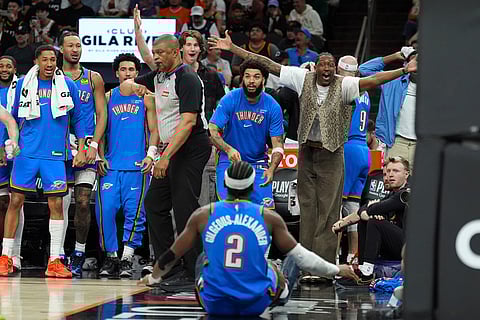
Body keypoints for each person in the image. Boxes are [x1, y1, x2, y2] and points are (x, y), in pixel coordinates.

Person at [208, 32, 416, 276]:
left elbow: (375, 80)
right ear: (315, 67)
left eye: (330, 65)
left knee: (328, 213)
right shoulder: (301, 77)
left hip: (333, 153)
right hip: (308, 151)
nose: (326, 69)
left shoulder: (346, 84)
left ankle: (325, 270)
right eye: (322, 65)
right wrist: (233, 48)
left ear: (335, 69)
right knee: (306, 210)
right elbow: (266, 63)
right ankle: (307, 268)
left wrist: (403, 70)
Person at [137, 161, 359, 316]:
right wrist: (338, 269)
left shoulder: (204, 214)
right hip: (256, 304)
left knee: (203, 257)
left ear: (225, 186)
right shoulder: (269, 217)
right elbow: (304, 258)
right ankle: (280, 292)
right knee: (286, 259)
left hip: (214, 304)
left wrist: (154, 279)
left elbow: (172, 254)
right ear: (253, 187)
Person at [120, 34, 211, 287]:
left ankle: (195, 269)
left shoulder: (188, 78)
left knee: (184, 208)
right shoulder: (158, 76)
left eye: (161, 53)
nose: (156, 57)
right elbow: (124, 86)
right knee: (154, 204)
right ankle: (167, 266)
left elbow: (189, 122)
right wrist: (134, 87)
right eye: (154, 53)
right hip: (171, 149)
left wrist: (165, 157)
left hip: (191, 147)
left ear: (175, 52)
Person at [0, 45, 86, 278]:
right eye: (45, 60)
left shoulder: (68, 85)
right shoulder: (22, 85)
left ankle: (55, 260)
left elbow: (79, 119)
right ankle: (6, 256)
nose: (50, 64)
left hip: (55, 155)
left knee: (56, 206)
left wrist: (83, 147)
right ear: (37, 61)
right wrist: (9, 144)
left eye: (53, 60)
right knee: (15, 201)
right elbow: (11, 118)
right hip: (26, 153)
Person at [95, 53, 159, 278]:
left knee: (135, 214)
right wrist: (99, 156)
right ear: (116, 73)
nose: (128, 73)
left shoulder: (146, 98)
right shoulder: (108, 96)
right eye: (123, 69)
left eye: (132, 70)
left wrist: (151, 156)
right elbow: (100, 131)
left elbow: (154, 131)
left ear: (137, 72)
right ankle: (111, 257)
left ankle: (127, 258)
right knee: (106, 211)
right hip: (111, 166)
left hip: (137, 166)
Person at [59, 31, 107, 276]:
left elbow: (102, 115)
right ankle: (57, 254)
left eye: (78, 45)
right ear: (61, 50)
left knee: (83, 202)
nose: (76, 49)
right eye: (70, 46)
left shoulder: (93, 78)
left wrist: (95, 146)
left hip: (87, 147)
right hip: (59, 147)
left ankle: (79, 252)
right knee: (59, 203)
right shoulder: (54, 78)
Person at [209, 59, 284, 209]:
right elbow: (212, 130)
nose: (251, 81)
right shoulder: (230, 98)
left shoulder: (272, 106)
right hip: (229, 160)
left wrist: (272, 169)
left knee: (264, 211)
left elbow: (278, 145)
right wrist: (228, 149)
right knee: (228, 208)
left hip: (258, 162)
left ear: (264, 80)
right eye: (247, 76)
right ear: (241, 78)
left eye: (256, 77)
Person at [332, 157, 409, 285]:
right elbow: (365, 208)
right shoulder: (393, 193)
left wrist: (348, 221)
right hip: (395, 244)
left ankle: (367, 272)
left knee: (374, 222)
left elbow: (375, 208)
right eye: (387, 171)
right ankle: (363, 268)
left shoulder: (405, 194)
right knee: (368, 221)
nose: (390, 175)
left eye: (395, 171)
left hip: (408, 247)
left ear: (406, 174)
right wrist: (368, 214)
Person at [359, 47, 417, 170]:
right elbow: (364, 69)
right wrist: (395, 56)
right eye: (413, 61)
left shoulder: (436, 85)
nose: (416, 65)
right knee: (393, 184)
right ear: (406, 64)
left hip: (423, 144)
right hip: (396, 142)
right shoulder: (392, 82)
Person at [337, 55, 371, 266]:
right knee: (352, 207)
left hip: (348, 148)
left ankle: (332, 256)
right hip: (363, 150)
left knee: (337, 205)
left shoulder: (344, 88)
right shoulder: (364, 91)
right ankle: (353, 256)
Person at [0, 55, 22, 272]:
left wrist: (13, 144)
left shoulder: (22, 87)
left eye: (9, 66)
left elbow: (12, 121)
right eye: (1, 66)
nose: (4, 69)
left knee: (15, 200)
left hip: (12, 150)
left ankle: (14, 253)